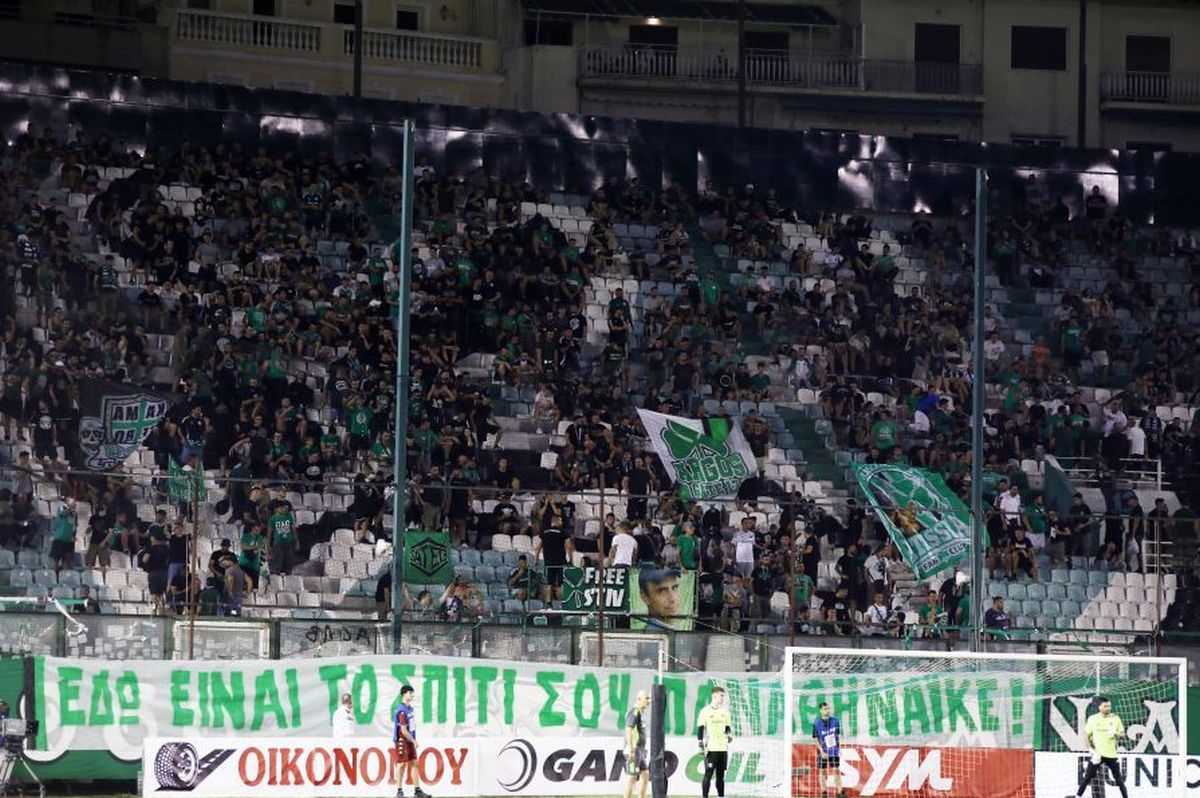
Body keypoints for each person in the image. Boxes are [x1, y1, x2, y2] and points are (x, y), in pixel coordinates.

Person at [1074, 697, 1128, 798]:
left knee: (1119, 779)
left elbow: (1123, 735)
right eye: (1105, 706)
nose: (1108, 708)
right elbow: (1086, 735)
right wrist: (1091, 750)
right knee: (1087, 777)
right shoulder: (1093, 719)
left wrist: (1115, 733)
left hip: (1111, 754)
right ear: (1099, 707)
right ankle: (1078, 796)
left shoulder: (1116, 718)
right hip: (1098, 754)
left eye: (1109, 706)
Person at [393, 685, 430, 798]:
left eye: (412, 693)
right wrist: (414, 740)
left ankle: (417, 791)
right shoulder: (401, 710)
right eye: (410, 693)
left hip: (409, 740)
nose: (412, 695)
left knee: (414, 763)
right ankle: (399, 791)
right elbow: (403, 730)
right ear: (404, 694)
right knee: (401, 764)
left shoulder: (410, 709)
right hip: (402, 740)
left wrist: (412, 739)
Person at [697, 685, 732, 798]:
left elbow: (727, 728)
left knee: (720, 776)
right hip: (711, 748)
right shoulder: (705, 711)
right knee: (708, 773)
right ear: (714, 695)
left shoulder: (725, 712)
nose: (723, 698)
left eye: (723, 696)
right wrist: (700, 744)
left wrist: (729, 735)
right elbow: (700, 729)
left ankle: (721, 796)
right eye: (721, 696)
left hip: (723, 748)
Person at [812, 702, 846, 798]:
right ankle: (824, 793)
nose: (827, 710)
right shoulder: (816, 723)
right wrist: (822, 751)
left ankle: (840, 792)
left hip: (833, 751)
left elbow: (837, 736)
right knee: (822, 771)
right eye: (825, 709)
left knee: (836, 770)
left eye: (828, 708)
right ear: (820, 710)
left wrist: (839, 748)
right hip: (822, 751)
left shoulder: (835, 721)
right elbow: (815, 739)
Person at [623, 690, 651, 798]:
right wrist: (631, 749)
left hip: (639, 750)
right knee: (632, 777)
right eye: (646, 698)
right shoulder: (634, 712)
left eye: (649, 698)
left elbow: (639, 733)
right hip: (634, 750)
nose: (649, 701)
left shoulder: (640, 713)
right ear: (639, 699)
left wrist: (643, 748)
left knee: (645, 775)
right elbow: (628, 730)